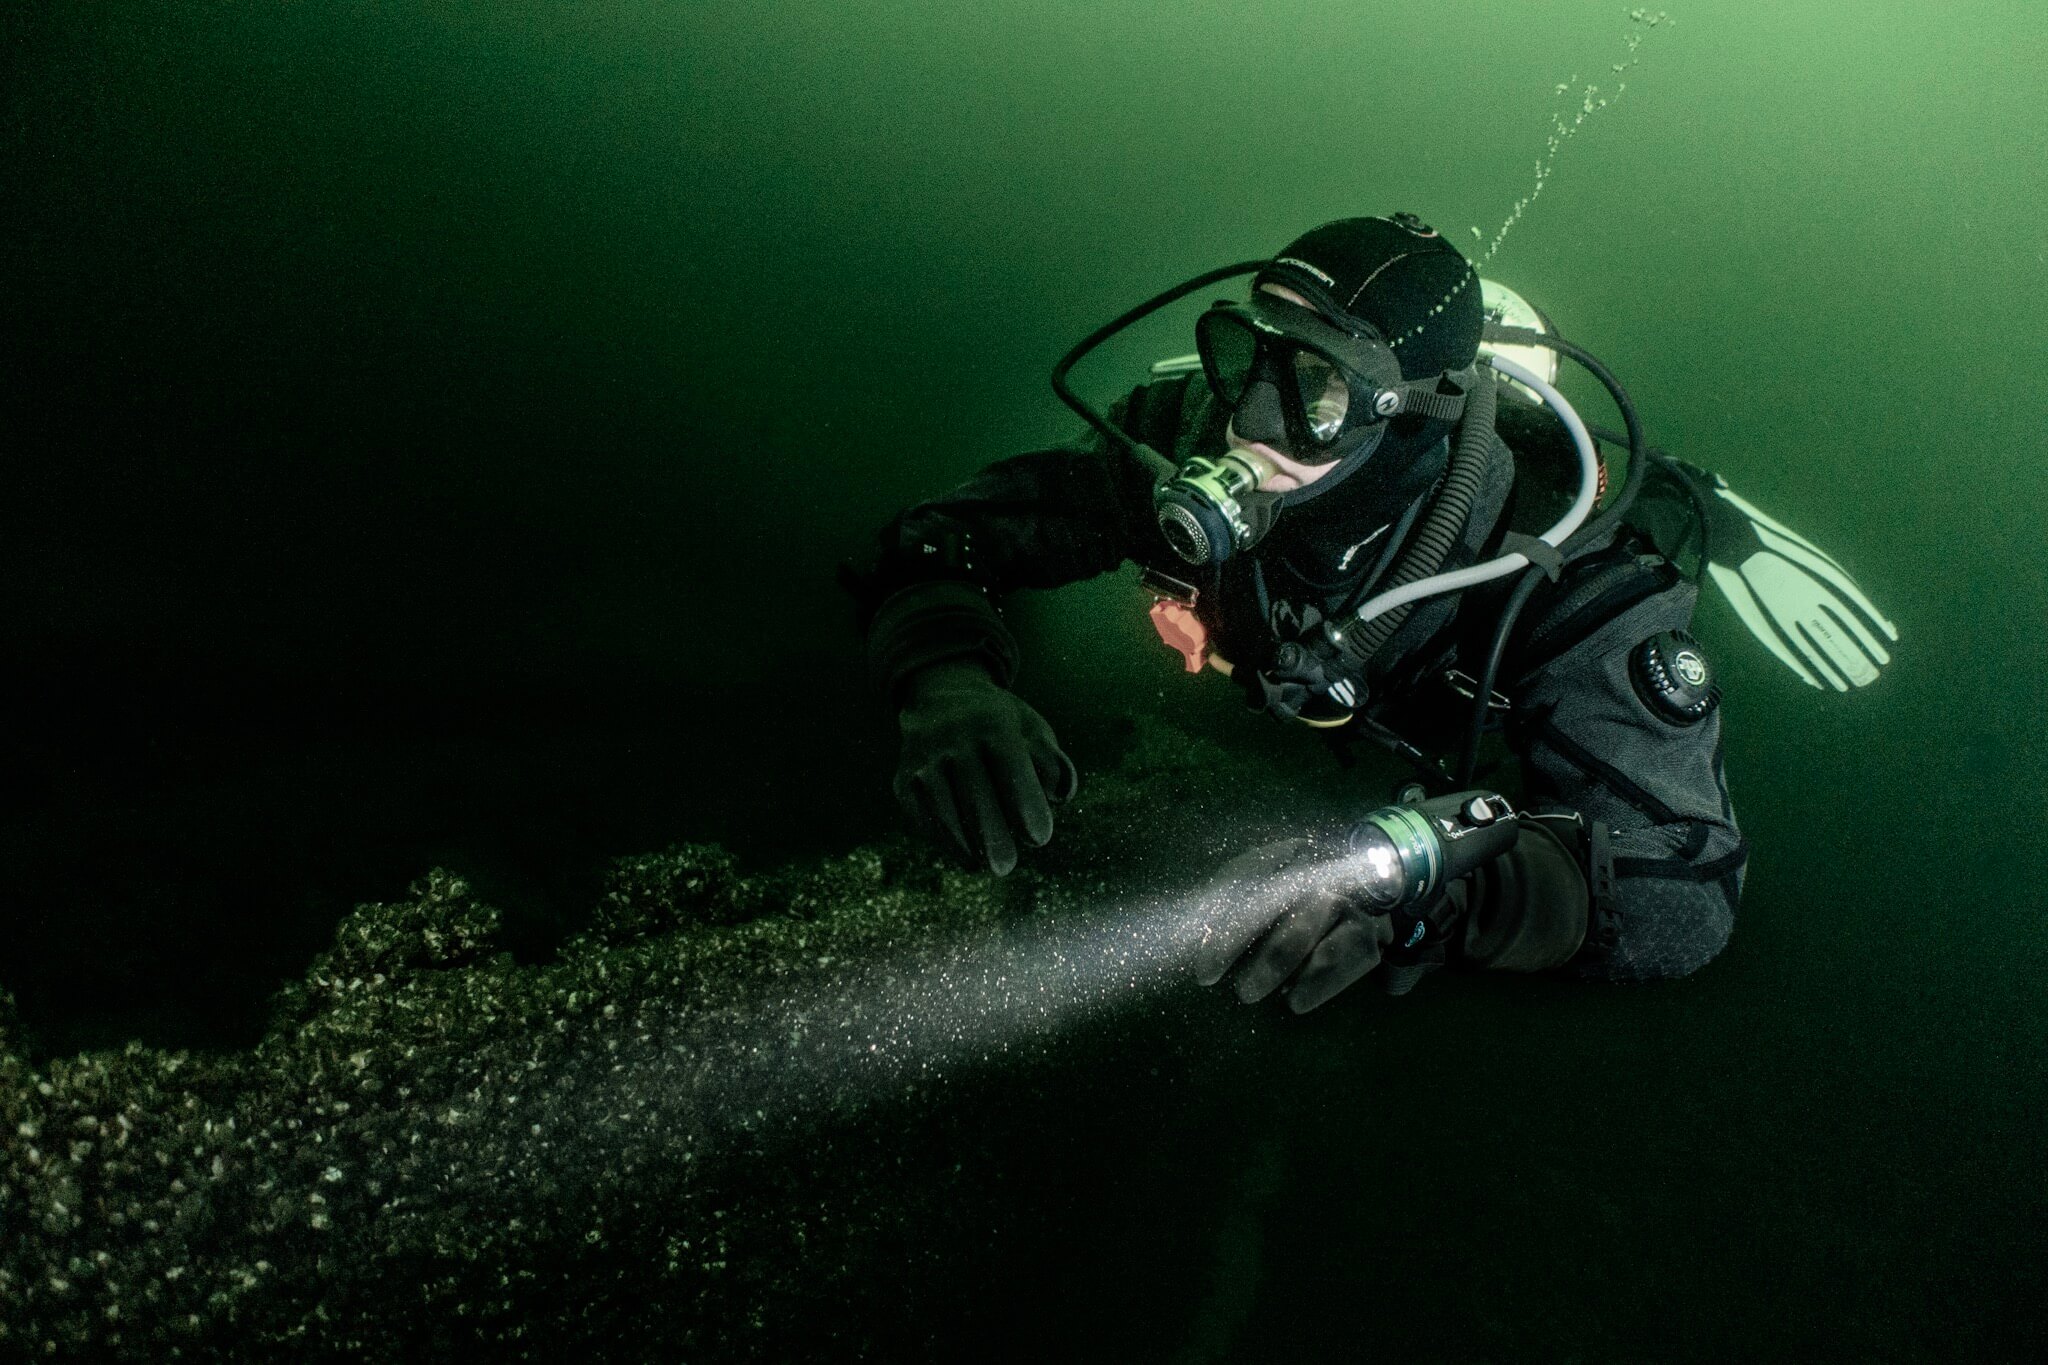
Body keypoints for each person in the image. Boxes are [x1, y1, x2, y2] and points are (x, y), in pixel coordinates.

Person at [844, 213, 1756, 1011]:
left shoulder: (1568, 573)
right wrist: (943, 673)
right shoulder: (1184, 429)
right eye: (1248, 355)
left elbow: (1688, 885)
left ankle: (1708, 498)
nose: (1249, 423)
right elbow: (950, 533)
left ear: (1408, 420)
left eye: (1318, 387)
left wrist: (1425, 881)